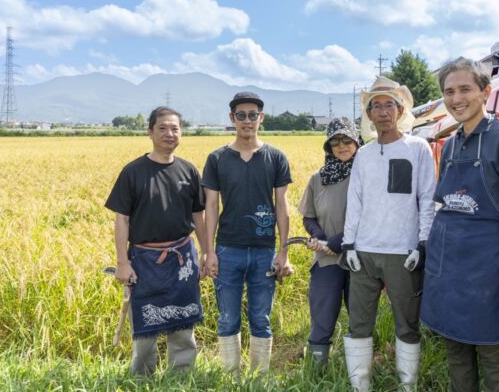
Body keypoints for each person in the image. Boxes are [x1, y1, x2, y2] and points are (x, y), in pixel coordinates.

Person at [420, 57, 499, 392]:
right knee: (455, 348)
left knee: (493, 350)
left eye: (465, 89)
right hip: (447, 264)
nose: (456, 98)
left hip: (485, 265)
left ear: (486, 92)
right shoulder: (452, 143)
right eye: (449, 91)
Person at [340, 77, 436, 391]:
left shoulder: (417, 148)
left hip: (403, 252)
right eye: (375, 106)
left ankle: (407, 385)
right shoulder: (364, 155)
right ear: (368, 114)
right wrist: (349, 243)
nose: (382, 112)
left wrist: (422, 243)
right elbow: (354, 200)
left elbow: (426, 197)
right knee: (358, 323)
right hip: (364, 252)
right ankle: (360, 385)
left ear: (400, 109)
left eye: (388, 105)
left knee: (407, 323)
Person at [104, 106, 206, 376]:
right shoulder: (133, 172)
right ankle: (141, 378)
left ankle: (182, 376)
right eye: (162, 128)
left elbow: (198, 215)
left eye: (175, 128)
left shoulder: (189, 171)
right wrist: (122, 263)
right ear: (149, 132)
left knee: (184, 324)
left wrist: (207, 253)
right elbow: (122, 219)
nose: (169, 134)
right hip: (144, 260)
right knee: (145, 329)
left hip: (182, 257)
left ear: (181, 133)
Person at [201, 91, 294, 374]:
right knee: (227, 318)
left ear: (261, 118)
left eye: (253, 115)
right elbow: (212, 206)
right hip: (228, 249)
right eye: (240, 116)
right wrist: (210, 251)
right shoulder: (217, 159)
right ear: (232, 119)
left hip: (265, 249)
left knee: (260, 318)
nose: (247, 121)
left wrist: (283, 251)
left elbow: (282, 205)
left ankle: (259, 377)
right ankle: (230, 376)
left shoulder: (275, 157)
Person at [298, 117, 361, 366]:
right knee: (322, 314)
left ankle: (357, 370)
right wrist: (320, 238)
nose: (341, 145)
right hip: (325, 259)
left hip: (359, 257)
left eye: (347, 139)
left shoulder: (366, 174)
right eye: (335, 141)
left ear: (356, 141)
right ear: (328, 146)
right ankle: (317, 370)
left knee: (360, 316)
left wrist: (335, 243)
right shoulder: (318, 177)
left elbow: (369, 218)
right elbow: (308, 216)